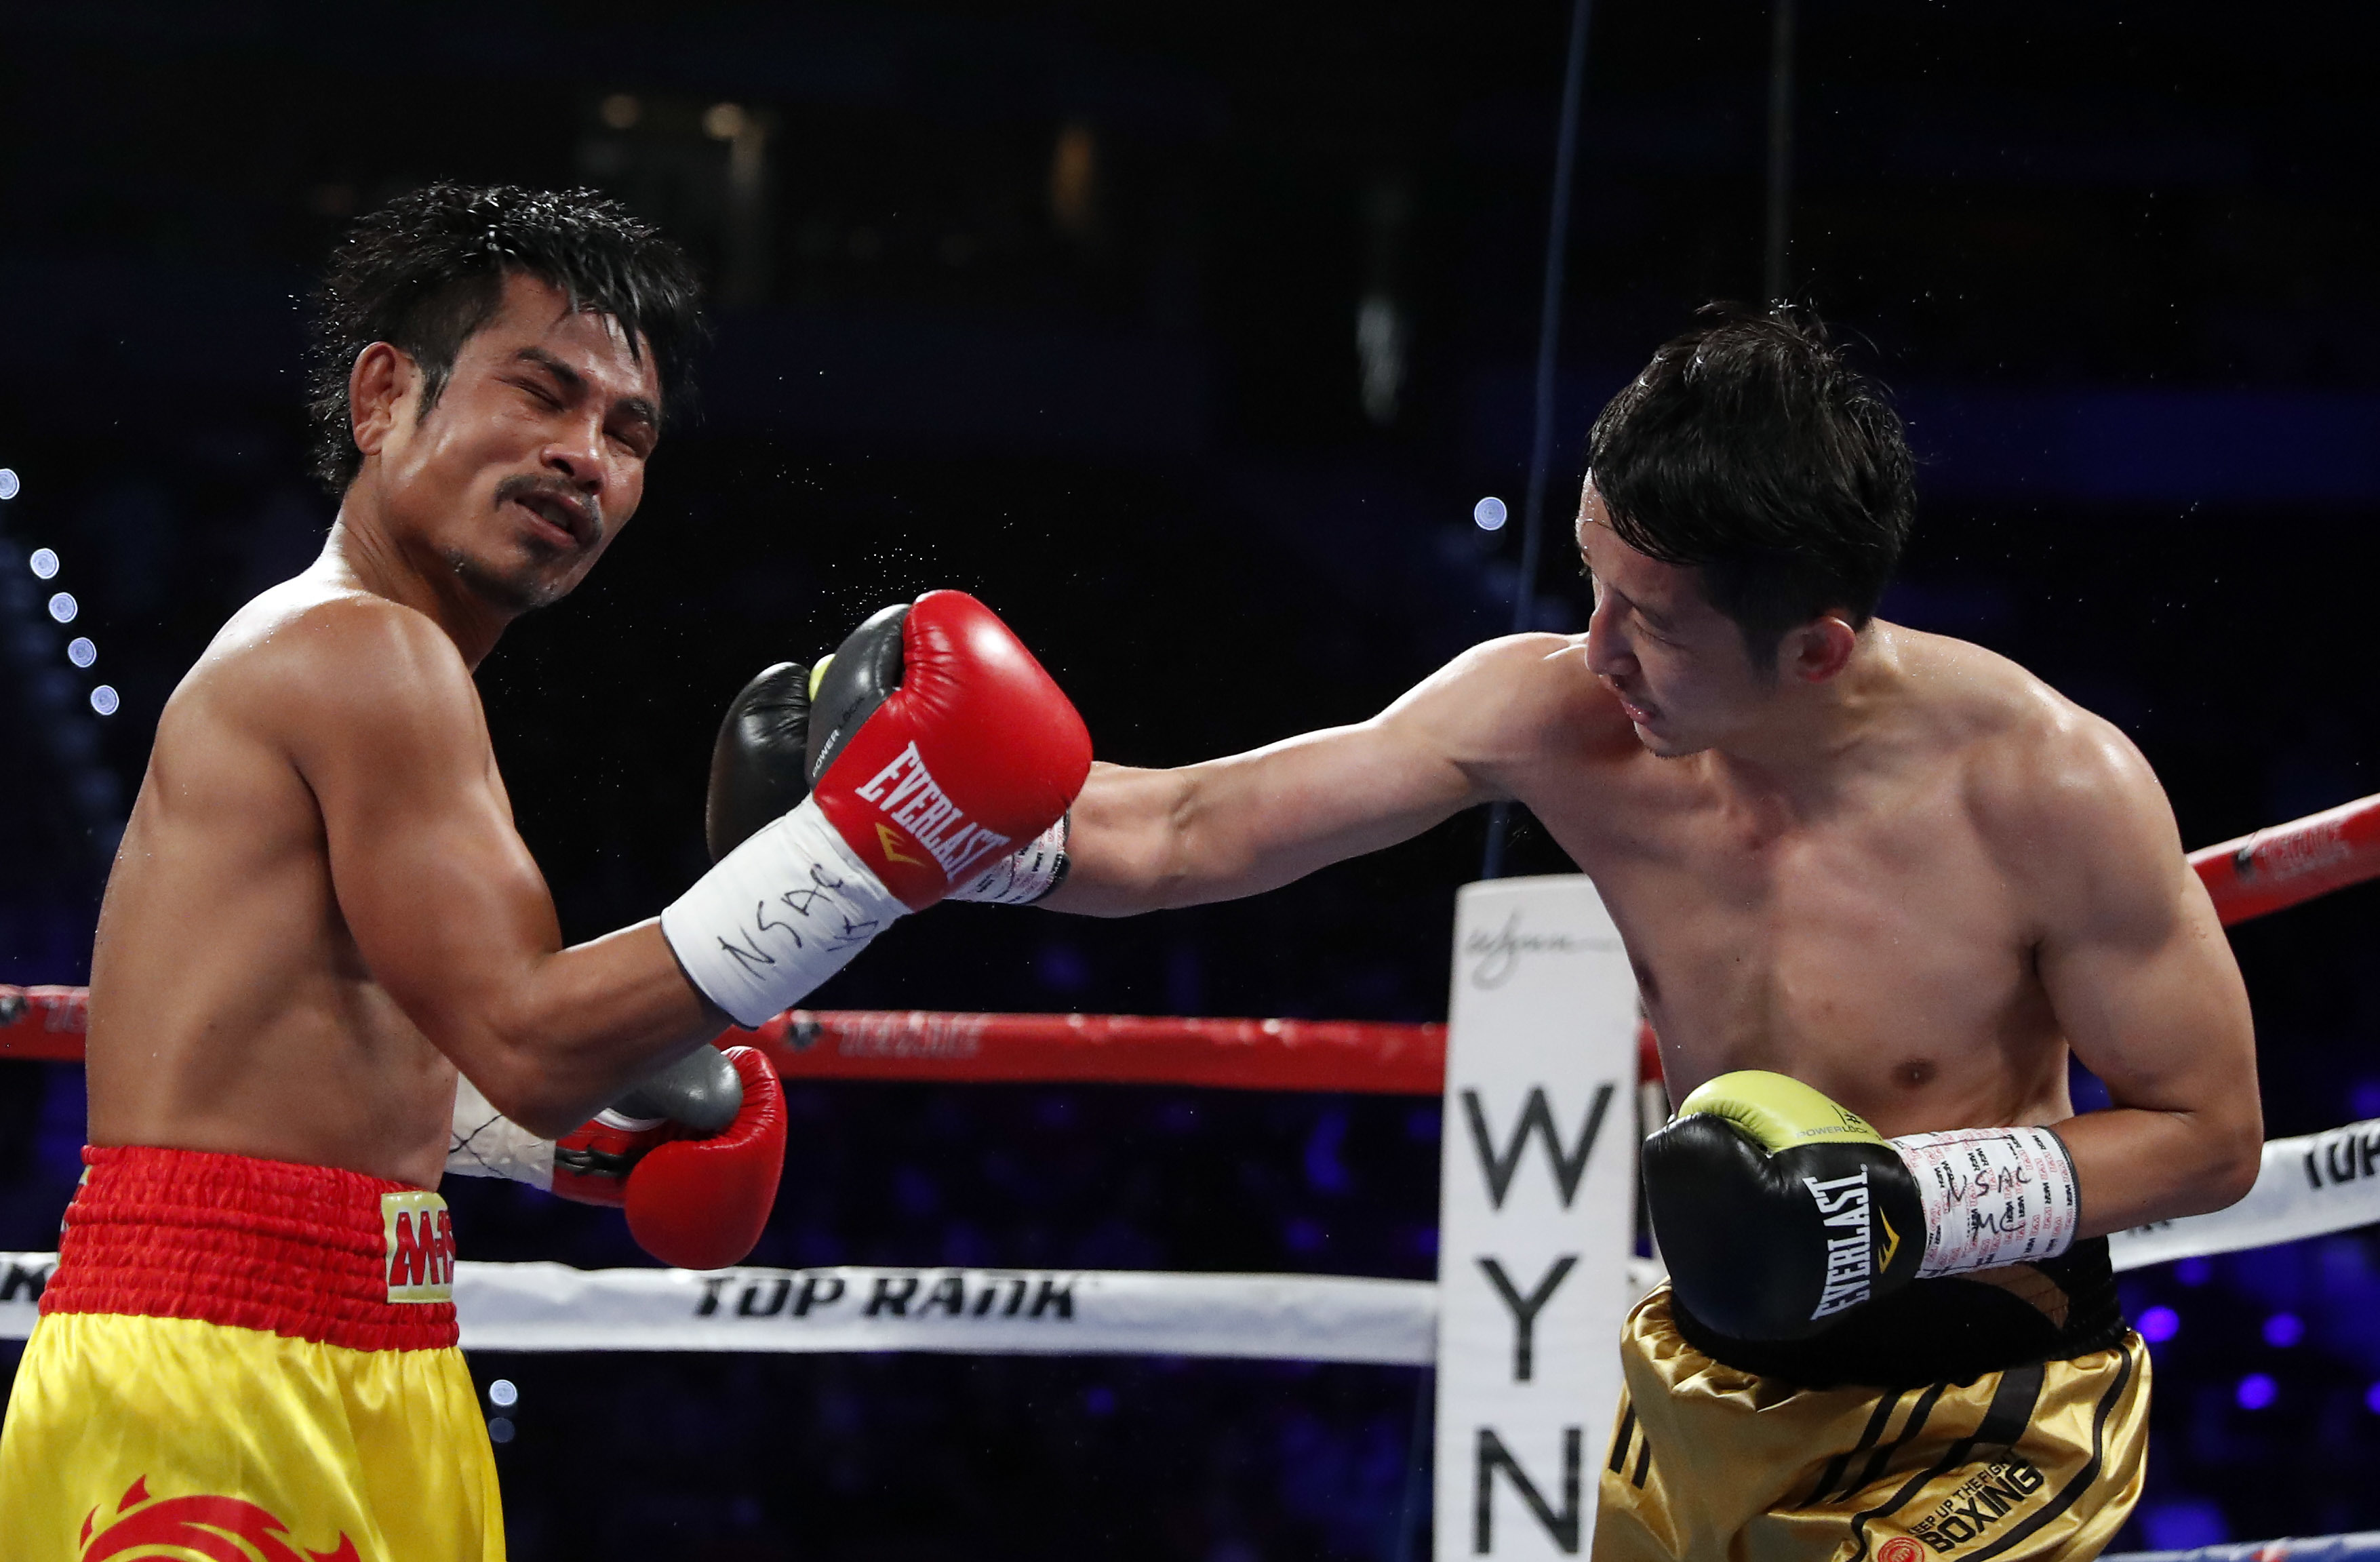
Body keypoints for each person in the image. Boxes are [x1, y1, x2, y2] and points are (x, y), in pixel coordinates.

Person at [1035, 308, 2262, 1561]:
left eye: (1655, 624)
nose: (1599, 649)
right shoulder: (1558, 716)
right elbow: (1182, 831)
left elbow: (2210, 1137)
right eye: (1593, 583)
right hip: (1705, 1383)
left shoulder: (2045, 791)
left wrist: (1913, 1201)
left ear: (1815, 650)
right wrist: (917, 820)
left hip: (1984, 1408)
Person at [0, 184, 1089, 1561]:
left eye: (627, 431)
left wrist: (556, 1145)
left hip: (374, 1340)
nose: (588, 457)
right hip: (217, 1373)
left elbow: (305, 1044)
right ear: (387, 394)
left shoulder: (392, 676)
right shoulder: (356, 652)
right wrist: (863, 857)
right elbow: (524, 1031)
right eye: (543, 395)